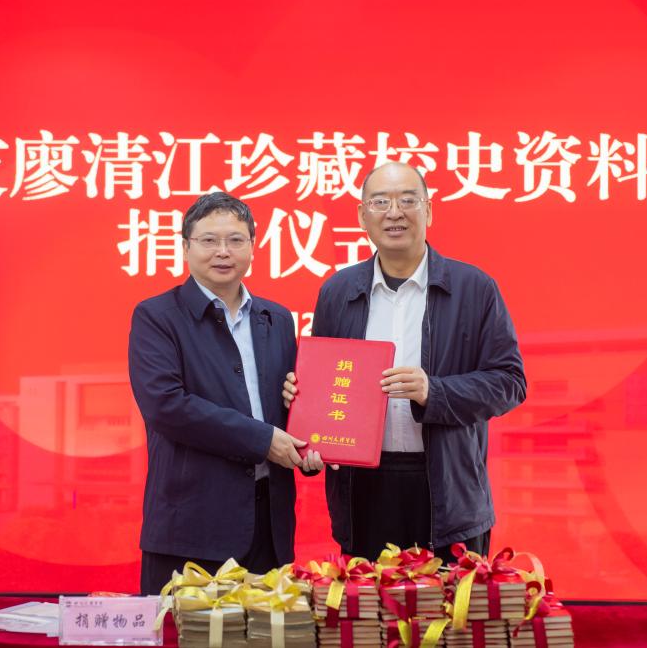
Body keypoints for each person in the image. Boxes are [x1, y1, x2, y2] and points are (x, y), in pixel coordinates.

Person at [283, 162, 526, 564]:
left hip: (449, 491)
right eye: (380, 202)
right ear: (362, 216)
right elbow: (325, 386)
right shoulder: (337, 292)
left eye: (408, 200)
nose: (394, 212)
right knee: (367, 604)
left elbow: (509, 382)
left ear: (428, 211)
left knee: (451, 604)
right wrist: (308, 428)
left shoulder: (474, 288)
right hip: (363, 493)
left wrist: (435, 392)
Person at [129, 191, 324, 595]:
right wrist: (263, 440)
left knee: (267, 630)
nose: (223, 251)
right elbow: (166, 406)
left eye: (235, 240)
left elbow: (292, 405)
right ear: (186, 247)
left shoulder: (276, 318)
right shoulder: (157, 316)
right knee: (185, 628)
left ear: (252, 246)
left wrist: (313, 444)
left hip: (269, 526)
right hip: (192, 529)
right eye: (209, 240)